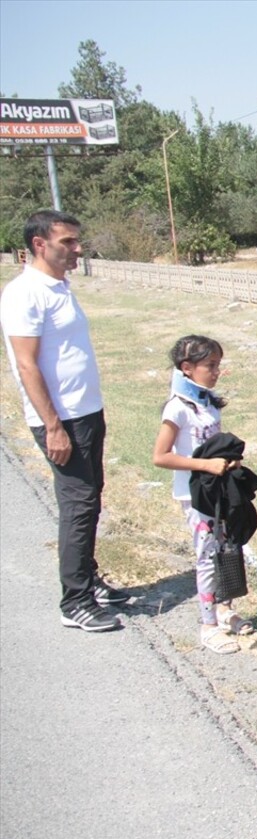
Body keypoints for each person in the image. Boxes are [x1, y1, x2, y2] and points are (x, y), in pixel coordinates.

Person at [0, 210, 129, 632]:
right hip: (62, 421)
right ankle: (74, 600)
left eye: (77, 241)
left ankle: (89, 580)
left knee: (90, 497)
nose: (77, 249)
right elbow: (26, 364)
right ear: (40, 244)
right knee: (78, 504)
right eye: (67, 242)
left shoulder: (59, 287)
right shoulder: (25, 293)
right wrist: (52, 425)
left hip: (85, 412)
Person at [151, 335, 256, 654]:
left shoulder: (207, 402)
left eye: (218, 366)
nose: (216, 372)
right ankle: (207, 625)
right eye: (210, 366)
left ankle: (224, 609)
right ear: (187, 368)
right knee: (207, 557)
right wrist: (204, 465)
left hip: (219, 491)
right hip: (195, 495)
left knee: (228, 548)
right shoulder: (177, 408)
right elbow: (161, 456)